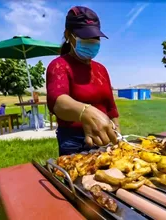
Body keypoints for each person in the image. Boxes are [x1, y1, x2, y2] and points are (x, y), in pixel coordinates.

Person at [46, 6, 120, 156]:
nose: (91, 42)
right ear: (68, 35)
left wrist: (117, 133)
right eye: (85, 38)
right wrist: (85, 111)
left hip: (104, 138)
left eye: (95, 38)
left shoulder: (101, 69)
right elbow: (57, 102)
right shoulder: (59, 65)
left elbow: (111, 107)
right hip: (74, 141)